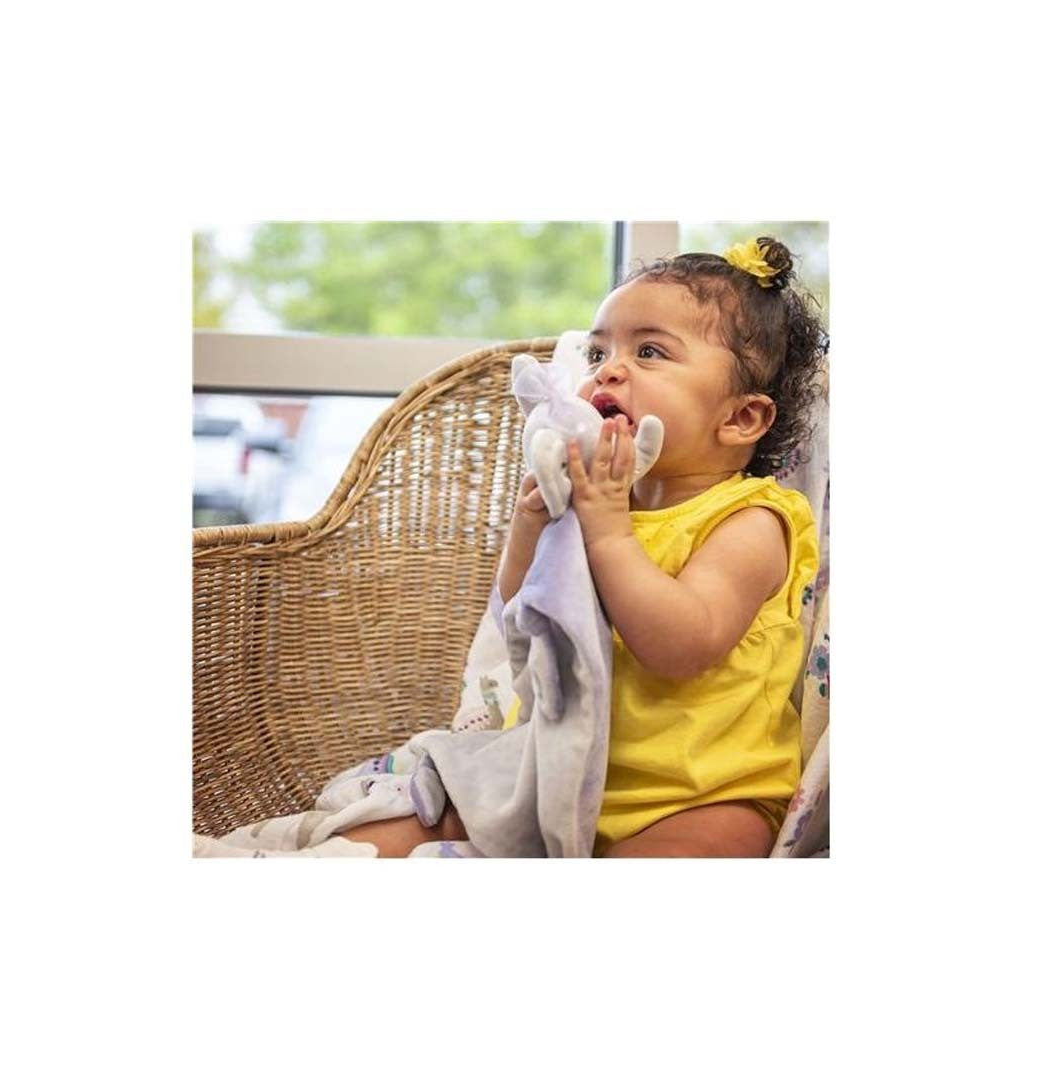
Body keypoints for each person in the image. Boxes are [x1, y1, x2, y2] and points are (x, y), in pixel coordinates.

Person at [342, 237, 828, 857]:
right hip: (556, 773)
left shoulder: (751, 520)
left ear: (740, 419)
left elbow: (682, 645)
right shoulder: (593, 500)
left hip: (699, 795)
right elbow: (520, 615)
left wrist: (608, 530)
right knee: (385, 834)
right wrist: (532, 526)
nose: (607, 370)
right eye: (599, 352)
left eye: (649, 351)